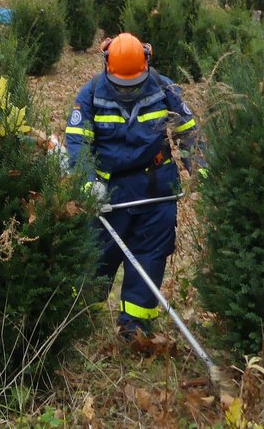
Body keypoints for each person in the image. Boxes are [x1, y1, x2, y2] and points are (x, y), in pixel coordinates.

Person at [64, 33, 203, 341]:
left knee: (149, 255)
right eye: (121, 86)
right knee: (97, 255)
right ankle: (82, 316)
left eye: (134, 85)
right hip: (108, 194)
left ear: (146, 65)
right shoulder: (89, 95)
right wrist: (87, 182)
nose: (127, 92)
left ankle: (135, 328)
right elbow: (76, 141)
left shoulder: (165, 89)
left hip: (156, 188)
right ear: (106, 68)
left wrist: (203, 174)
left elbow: (189, 134)